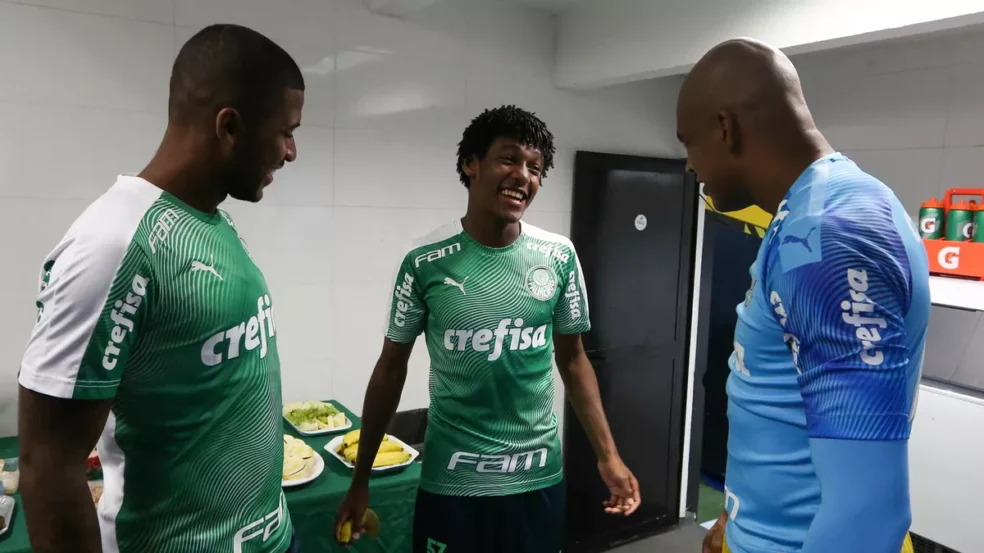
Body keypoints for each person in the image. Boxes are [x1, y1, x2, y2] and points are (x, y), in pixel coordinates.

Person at [17, 24, 305, 553]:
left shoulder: (210, 222)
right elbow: (47, 467)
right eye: (285, 132)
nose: (291, 152)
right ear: (229, 127)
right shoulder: (113, 245)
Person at [334, 105, 641, 552]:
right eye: (509, 159)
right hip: (452, 483)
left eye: (535, 168)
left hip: (536, 479)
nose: (523, 176)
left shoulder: (558, 257)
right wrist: (360, 480)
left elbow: (574, 361)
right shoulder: (424, 262)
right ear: (470, 163)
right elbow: (390, 369)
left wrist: (608, 456)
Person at [676, 38, 928, 553]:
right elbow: (783, 400)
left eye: (688, 143)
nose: (688, 166)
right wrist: (737, 516)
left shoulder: (831, 233)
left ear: (725, 127)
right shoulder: (807, 214)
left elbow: (868, 516)